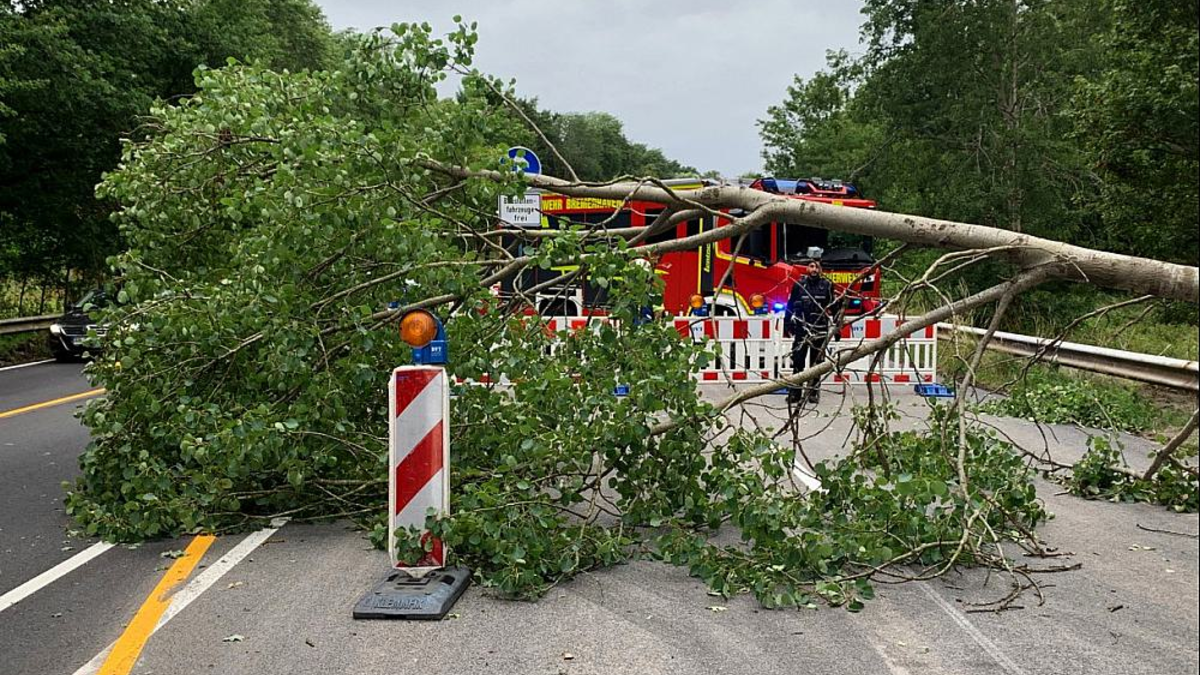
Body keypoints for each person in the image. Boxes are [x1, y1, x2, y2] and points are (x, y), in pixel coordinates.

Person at [784, 258, 840, 404]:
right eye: (811, 266)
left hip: (819, 329)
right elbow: (790, 305)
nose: (814, 270)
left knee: (817, 362)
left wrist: (837, 327)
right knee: (798, 361)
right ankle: (795, 393)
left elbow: (834, 307)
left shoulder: (827, 285)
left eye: (817, 267)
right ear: (807, 268)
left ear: (821, 270)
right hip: (802, 329)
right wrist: (787, 323)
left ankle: (813, 392)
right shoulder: (799, 285)